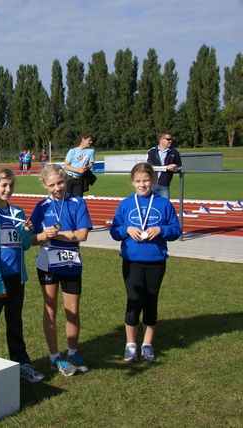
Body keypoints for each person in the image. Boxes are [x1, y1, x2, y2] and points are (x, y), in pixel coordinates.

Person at [0, 166, 46, 382]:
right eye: (4, 185)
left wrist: (26, 231)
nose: (8, 189)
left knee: (15, 322)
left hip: (16, 278)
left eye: (11, 185)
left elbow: (24, 246)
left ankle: (22, 363)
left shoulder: (18, 213)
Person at [110, 163, 181, 362]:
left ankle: (147, 344)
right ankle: (130, 344)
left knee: (151, 301)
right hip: (132, 260)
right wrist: (127, 230)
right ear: (132, 182)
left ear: (153, 180)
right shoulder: (125, 204)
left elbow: (176, 231)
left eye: (146, 180)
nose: (143, 185)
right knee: (133, 300)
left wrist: (161, 230)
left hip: (156, 260)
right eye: (138, 181)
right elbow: (114, 231)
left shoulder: (164, 204)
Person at [30, 164, 93, 376]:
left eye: (60, 182)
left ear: (65, 180)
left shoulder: (78, 202)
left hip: (71, 263)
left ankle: (73, 352)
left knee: (72, 310)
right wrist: (41, 236)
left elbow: (82, 235)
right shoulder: (41, 206)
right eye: (52, 185)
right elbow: (31, 240)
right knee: (50, 310)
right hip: (47, 263)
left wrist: (54, 234)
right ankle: (54, 357)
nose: (57, 187)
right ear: (44, 185)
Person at [146, 131, 182, 199]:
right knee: (150, 204)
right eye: (168, 139)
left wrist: (174, 168)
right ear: (161, 139)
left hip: (165, 184)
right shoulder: (152, 151)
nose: (170, 141)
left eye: (171, 139)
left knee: (165, 205)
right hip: (152, 184)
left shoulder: (174, 152)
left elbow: (179, 166)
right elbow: (149, 167)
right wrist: (165, 168)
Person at [63, 133, 95, 197]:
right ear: (83, 140)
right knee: (66, 199)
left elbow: (91, 164)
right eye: (89, 140)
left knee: (78, 201)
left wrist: (86, 167)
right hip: (68, 178)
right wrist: (77, 170)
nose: (91, 142)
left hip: (80, 179)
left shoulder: (91, 151)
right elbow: (66, 166)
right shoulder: (72, 151)